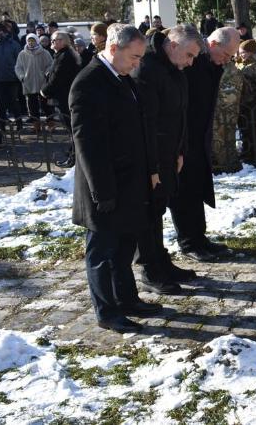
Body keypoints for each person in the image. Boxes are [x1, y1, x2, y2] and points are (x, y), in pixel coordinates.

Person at [70, 23, 162, 334]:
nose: (138, 63)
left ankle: (128, 299)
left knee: (124, 248)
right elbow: (89, 144)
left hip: (129, 184)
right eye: (134, 57)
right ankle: (107, 312)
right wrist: (102, 191)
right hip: (104, 188)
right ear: (113, 49)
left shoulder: (122, 78)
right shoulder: (89, 82)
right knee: (101, 253)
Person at [132, 24, 202, 294]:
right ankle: (150, 268)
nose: (191, 62)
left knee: (159, 208)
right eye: (189, 55)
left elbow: (180, 115)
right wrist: (154, 163)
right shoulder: (147, 67)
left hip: (171, 153)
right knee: (148, 211)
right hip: (153, 155)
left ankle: (161, 261)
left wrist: (180, 151)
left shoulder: (173, 67)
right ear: (173, 45)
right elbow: (148, 121)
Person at [169, 27, 239, 262]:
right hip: (183, 138)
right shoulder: (193, 63)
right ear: (213, 44)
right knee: (183, 191)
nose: (227, 61)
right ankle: (188, 242)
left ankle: (199, 237)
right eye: (227, 55)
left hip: (199, 138)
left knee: (196, 189)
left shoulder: (211, 64)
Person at [43, 31, 81, 168]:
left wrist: (44, 90)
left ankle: (74, 159)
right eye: (52, 40)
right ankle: (72, 154)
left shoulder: (65, 56)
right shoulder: (63, 54)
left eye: (55, 40)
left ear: (63, 41)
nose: (52, 42)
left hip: (64, 98)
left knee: (72, 130)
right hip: (63, 97)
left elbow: (57, 78)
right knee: (71, 129)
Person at [211, 59, 244, 173]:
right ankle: (223, 165)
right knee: (222, 138)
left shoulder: (230, 70)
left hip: (225, 110)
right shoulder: (224, 68)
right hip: (224, 109)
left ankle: (228, 166)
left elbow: (229, 94)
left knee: (223, 137)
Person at [14, 33, 53, 120]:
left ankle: (51, 124)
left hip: (42, 82)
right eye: (29, 41)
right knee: (32, 106)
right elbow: (18, 67)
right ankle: (36, 126)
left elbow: (51, 65)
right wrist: (22, 77)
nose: (31, 43)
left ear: (37, 41)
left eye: (33, 40)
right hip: (28, 82)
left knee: (46, 105)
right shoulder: (22, 54)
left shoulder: (44, 52)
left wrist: (46, 74)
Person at [0, 24, 22, 120]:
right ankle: (2, 125)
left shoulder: (13, 44)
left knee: (14, 101)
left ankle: (19, 123)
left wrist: (18, 75)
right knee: (1, 104)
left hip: (12, 78)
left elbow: (19, 60)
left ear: (5, 32)